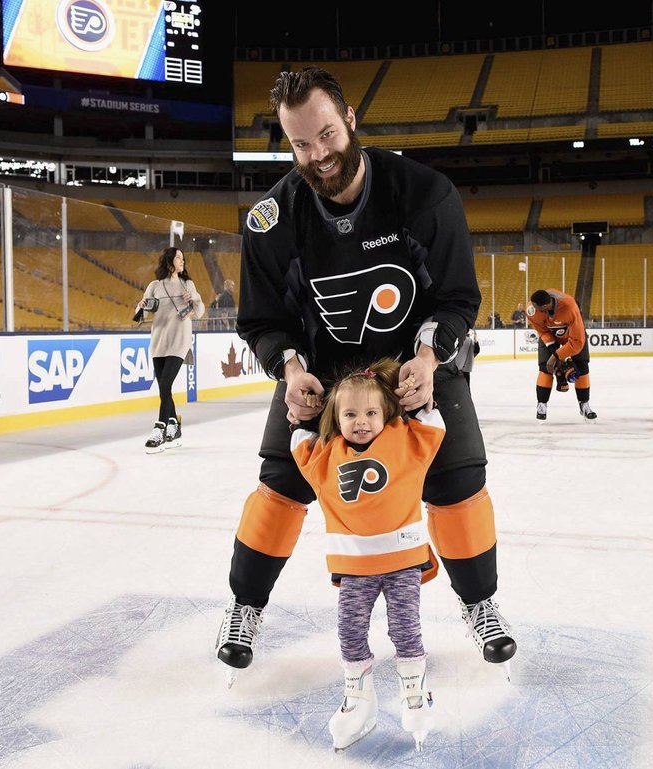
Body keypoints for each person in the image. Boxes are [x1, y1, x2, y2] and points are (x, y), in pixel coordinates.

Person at [214, 66, 515, 685]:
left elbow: (457, 297)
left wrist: (430, 361)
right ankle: (244, 608)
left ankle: (479, 603)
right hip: (324, 374)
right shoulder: (273, 219)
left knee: (458, 480)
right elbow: (262, 320)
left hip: (415, 363)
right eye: (301, 144)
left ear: (351, 121)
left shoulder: (424, 193)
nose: (318, 155)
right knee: (281, 482)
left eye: (326, 135)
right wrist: (291, 369)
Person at [289, 358, 443, 752]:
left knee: (406, 628)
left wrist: (420, 398)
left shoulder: (406, 440)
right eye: (351, 413)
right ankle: (358, 697)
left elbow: (431, 423)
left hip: (402, 562)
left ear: (386, 412)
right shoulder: (325, 455)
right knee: (350, 630)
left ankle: (416, 691)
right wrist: (302, 411)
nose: (362, 421)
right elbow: (300, 441)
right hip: (355, 568)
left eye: (372, 412)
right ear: (335, 417)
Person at [134, 246, 204, 452]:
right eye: (179, 258)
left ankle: (160, 427)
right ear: (169, 261)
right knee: (165, 388)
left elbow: (199, 309)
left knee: (165, 384)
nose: (183, 261)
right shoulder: (155, 286)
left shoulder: (187, 284)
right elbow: (141, 312)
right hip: (158, 341)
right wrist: (141, 306)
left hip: (179, 340)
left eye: (183, 258)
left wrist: (192, 300)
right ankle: (174, 423)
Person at [526, 287, 597, 421]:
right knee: (545, 368)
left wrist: (557, 355)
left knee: (582, 367)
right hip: (551, 336)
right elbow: (542, 331)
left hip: (573, 337)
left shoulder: (570, 308)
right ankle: (541, 404)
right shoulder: (531, 310)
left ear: (546, 306)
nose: (533, 309)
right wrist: (552, 349)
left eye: (537, 307)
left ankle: (584, 404)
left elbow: (577, 342)